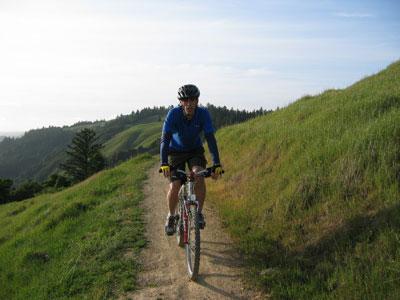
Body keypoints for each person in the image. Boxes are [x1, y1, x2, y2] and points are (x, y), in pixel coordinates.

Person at [160, 84, 223, 236]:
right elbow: (165, 139)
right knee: (175, 185)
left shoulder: (203, 114)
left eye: (192, 100)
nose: (189, 103)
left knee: (199, 176)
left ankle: (199, 212)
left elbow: (210, 139)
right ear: (180, 102)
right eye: (185, 100)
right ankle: (171, 216)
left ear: (197, 100)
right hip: (176, 152)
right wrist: (164, 163)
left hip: (195, 150)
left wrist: (216, 164)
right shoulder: (173, 114)